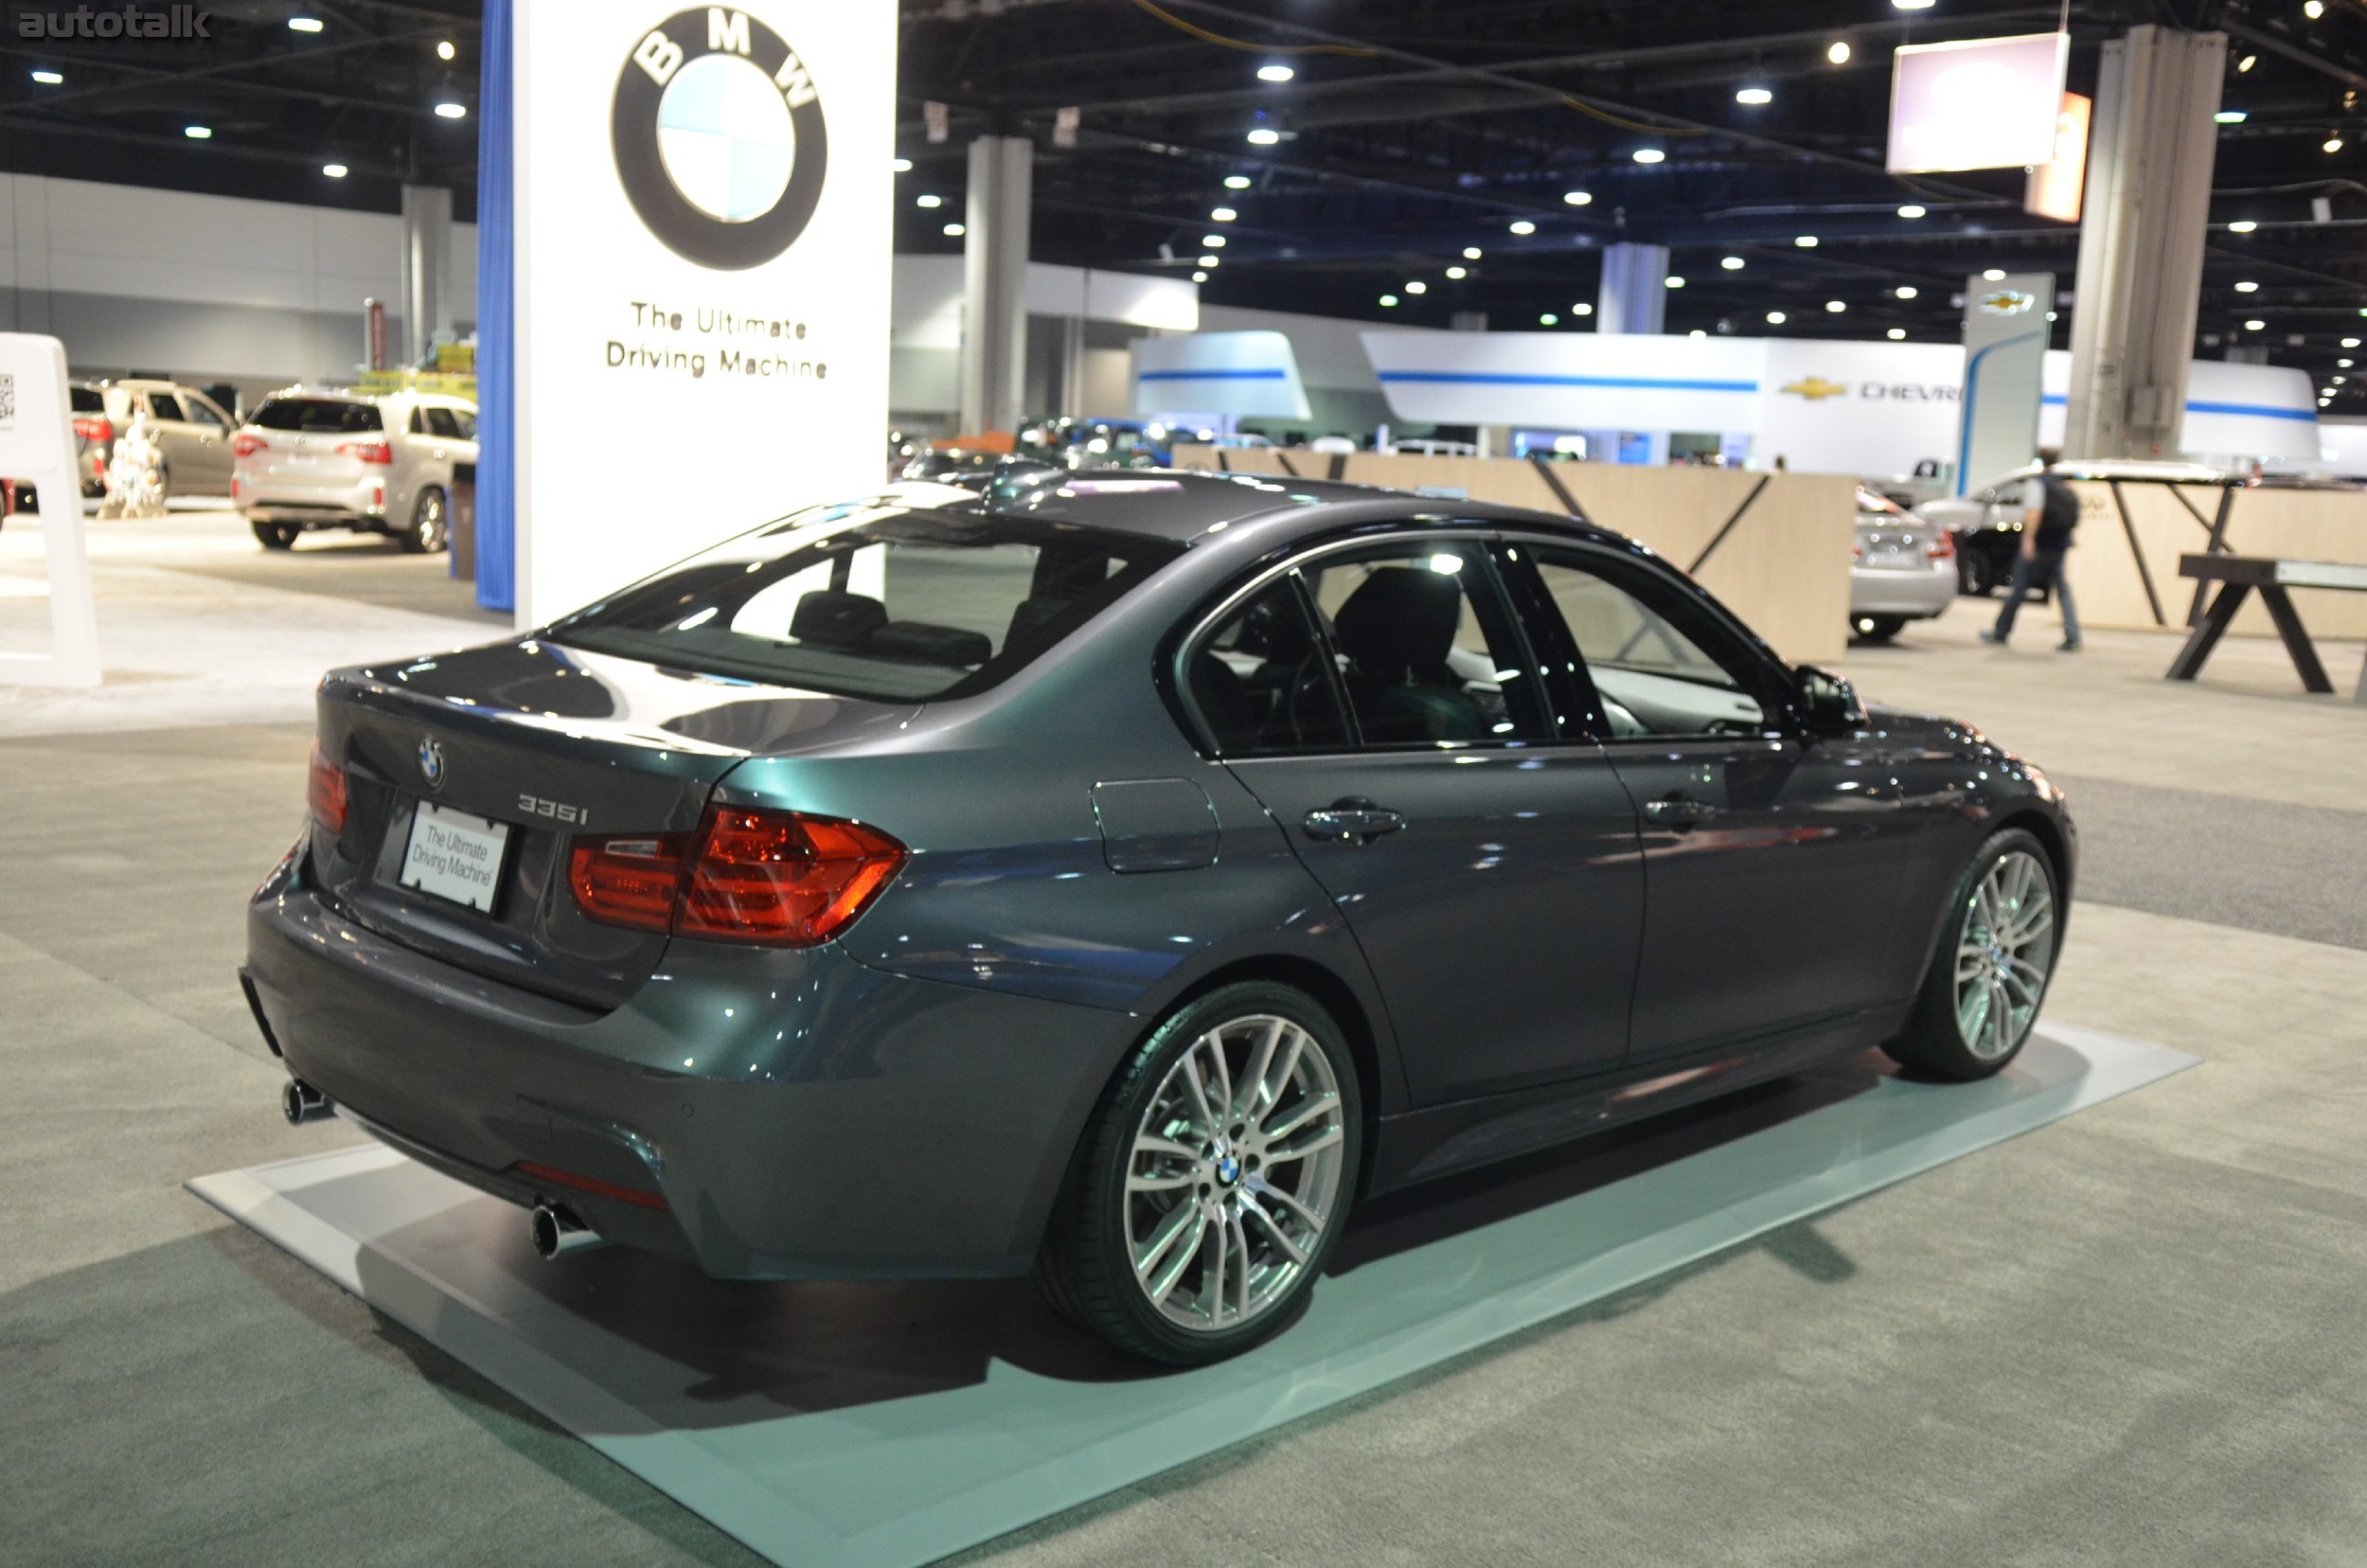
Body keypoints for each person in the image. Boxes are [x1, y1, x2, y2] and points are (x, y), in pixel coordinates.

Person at [1980, 446, 2082, 651]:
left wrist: (2028, 541)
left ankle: (2000, 633)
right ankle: (2073, 638)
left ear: (2039, 460)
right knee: (2062, 590)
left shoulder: (2038, 484)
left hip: (2040, 544)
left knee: (2018, 589)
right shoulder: (2064, 485)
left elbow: (2034, 514)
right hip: (2059, 545)